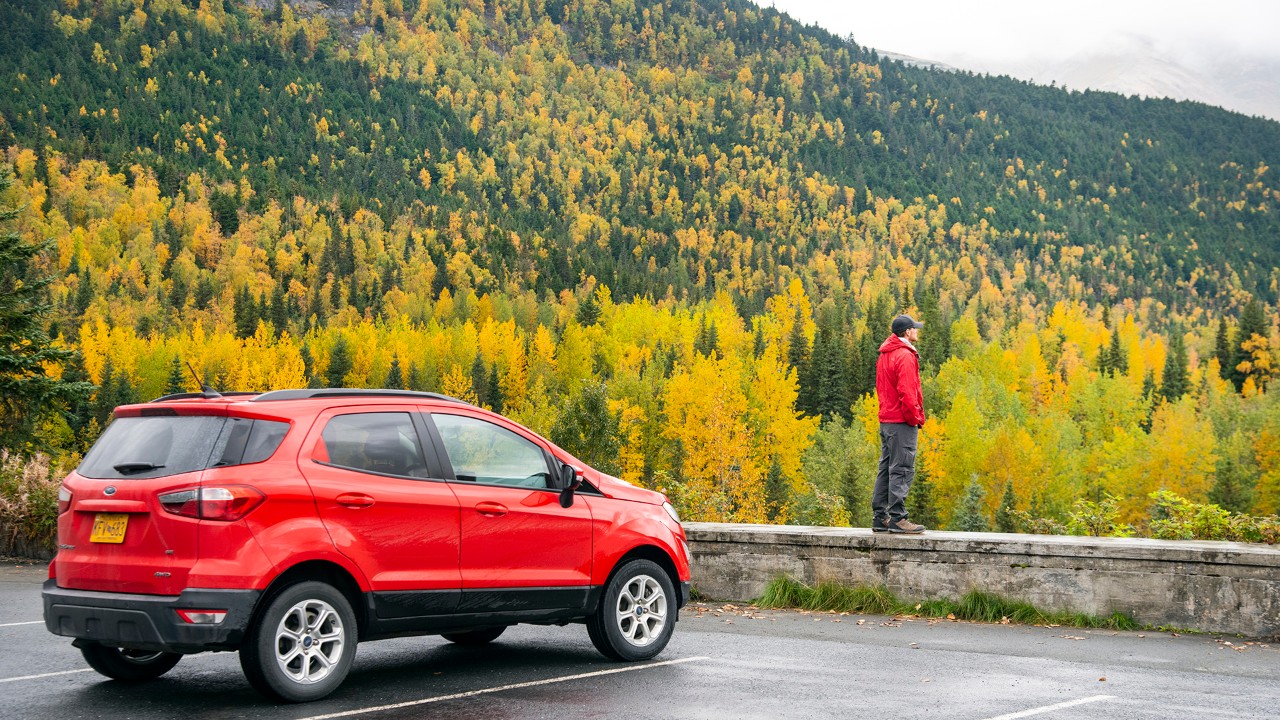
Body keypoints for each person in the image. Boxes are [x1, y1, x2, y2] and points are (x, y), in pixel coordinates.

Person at [873, 314, 927, 534]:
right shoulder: (904, 356)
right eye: (915, 328)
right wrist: (914, 418)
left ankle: (880, 517)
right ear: (907, 332)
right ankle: (898, 517)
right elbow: (907, 391)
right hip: (901, 421)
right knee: (902, 468)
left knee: (886, 468)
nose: (917, 331)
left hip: (887, 419)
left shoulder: (886, 354)